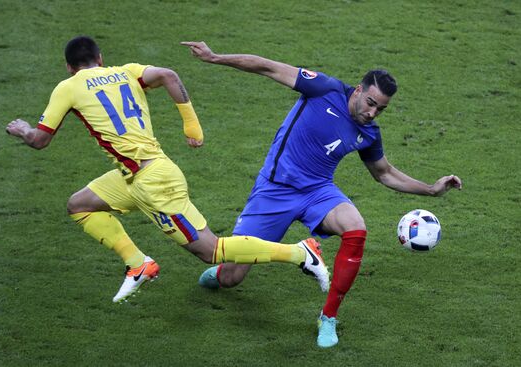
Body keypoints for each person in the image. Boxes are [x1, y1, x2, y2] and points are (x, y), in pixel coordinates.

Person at [5, 36, 330, 304]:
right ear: (100, 58)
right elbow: (169, 76)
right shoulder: (126, 71)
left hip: (154, 182)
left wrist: (21, 130)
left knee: (211, 250)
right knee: (79, 204)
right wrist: (192, 126)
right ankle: (138, 264)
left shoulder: (68, 87)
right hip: (133, 176)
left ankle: (299, 253)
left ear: (69, 66)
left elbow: (39, 140)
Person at [181, 41, 463, 348]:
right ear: (358, 89)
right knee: (233, 278)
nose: (372, 113)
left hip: (318, 190)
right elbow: (268, 66)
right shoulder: (323, 88)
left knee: (356, 227)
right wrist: (214, 58)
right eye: (370, 103)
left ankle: (328, 317)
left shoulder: (369, 133)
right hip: (275, 190)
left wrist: (431, 190)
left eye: (380, 109)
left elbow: (384, 173)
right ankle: (222, 272)